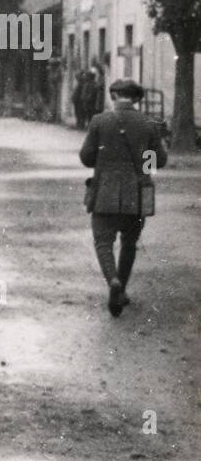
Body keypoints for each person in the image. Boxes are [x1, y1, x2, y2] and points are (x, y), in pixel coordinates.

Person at [79, 78, 167, 316]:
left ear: (114, 96)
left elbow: (86, 157)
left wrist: (105, 159)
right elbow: (157, 160)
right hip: (137, 194)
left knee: (103, 242)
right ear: (137, 98)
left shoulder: (99, 121)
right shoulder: (149, 124)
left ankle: (113, 282)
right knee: (129, 243)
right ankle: (122, 288)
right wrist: (141, 164)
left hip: (104, 193)